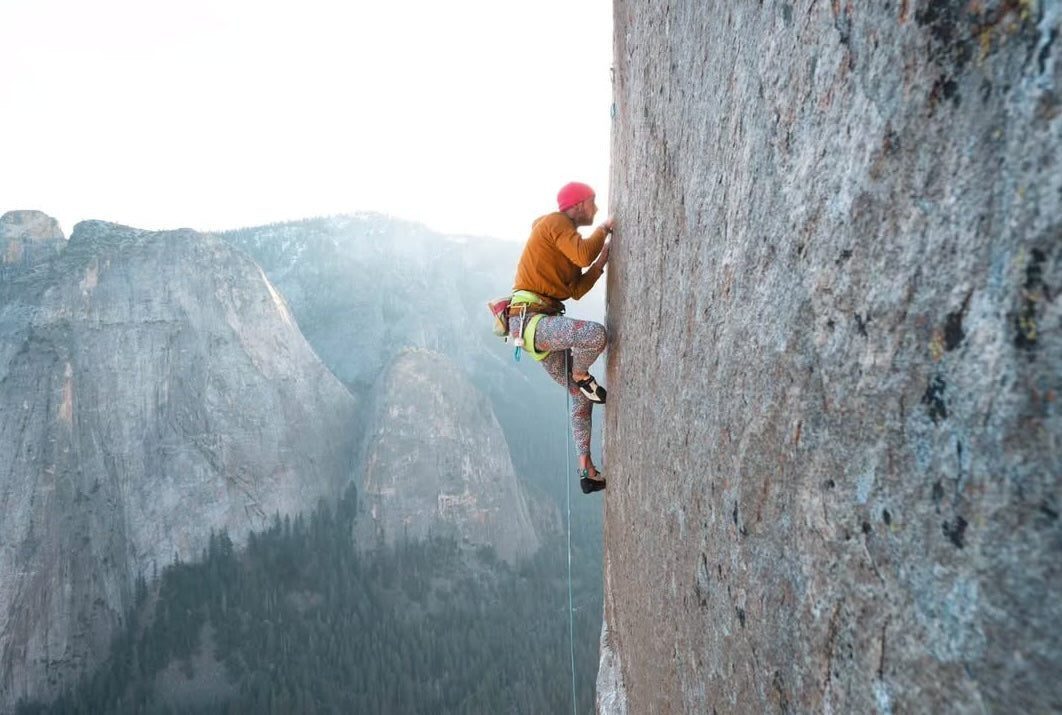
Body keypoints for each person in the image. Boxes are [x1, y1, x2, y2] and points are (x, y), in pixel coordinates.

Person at [510, 181, 613, 494]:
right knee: (594, 335)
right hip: (534, 322)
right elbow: (582, 255)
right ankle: (581, 373)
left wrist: (600, 264)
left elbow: (576, 289)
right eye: (592, 202)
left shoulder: (562, 246)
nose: (595, 209)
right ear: (578, 204)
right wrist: (606, 228)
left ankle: (587, 469)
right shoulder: (555, 222)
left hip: (534, 329)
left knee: (579, 395)